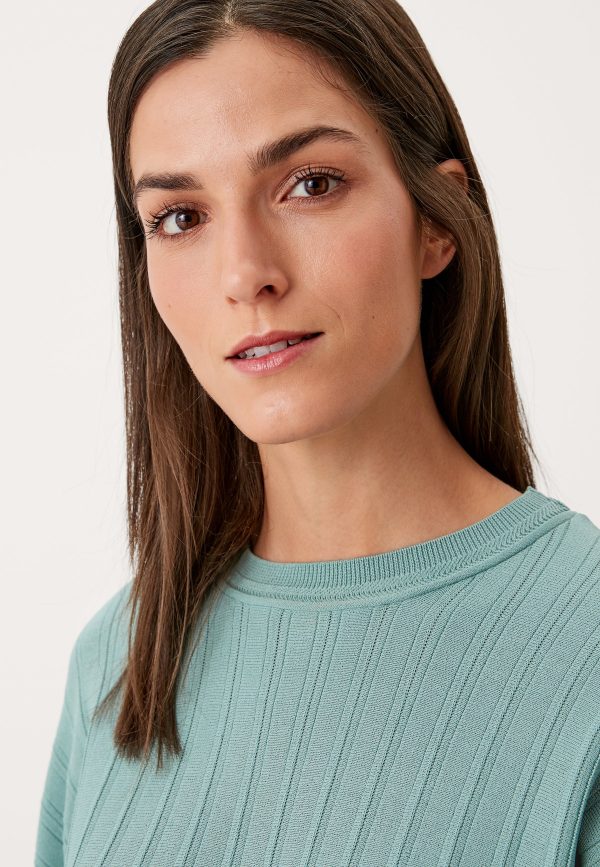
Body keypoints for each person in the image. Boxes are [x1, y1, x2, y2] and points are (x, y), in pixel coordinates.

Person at [35, 1, 600, 865]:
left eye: (311, 184)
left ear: (437, 221)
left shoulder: (582, 646)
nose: (246, 274)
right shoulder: (119, 661)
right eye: (181, 217)